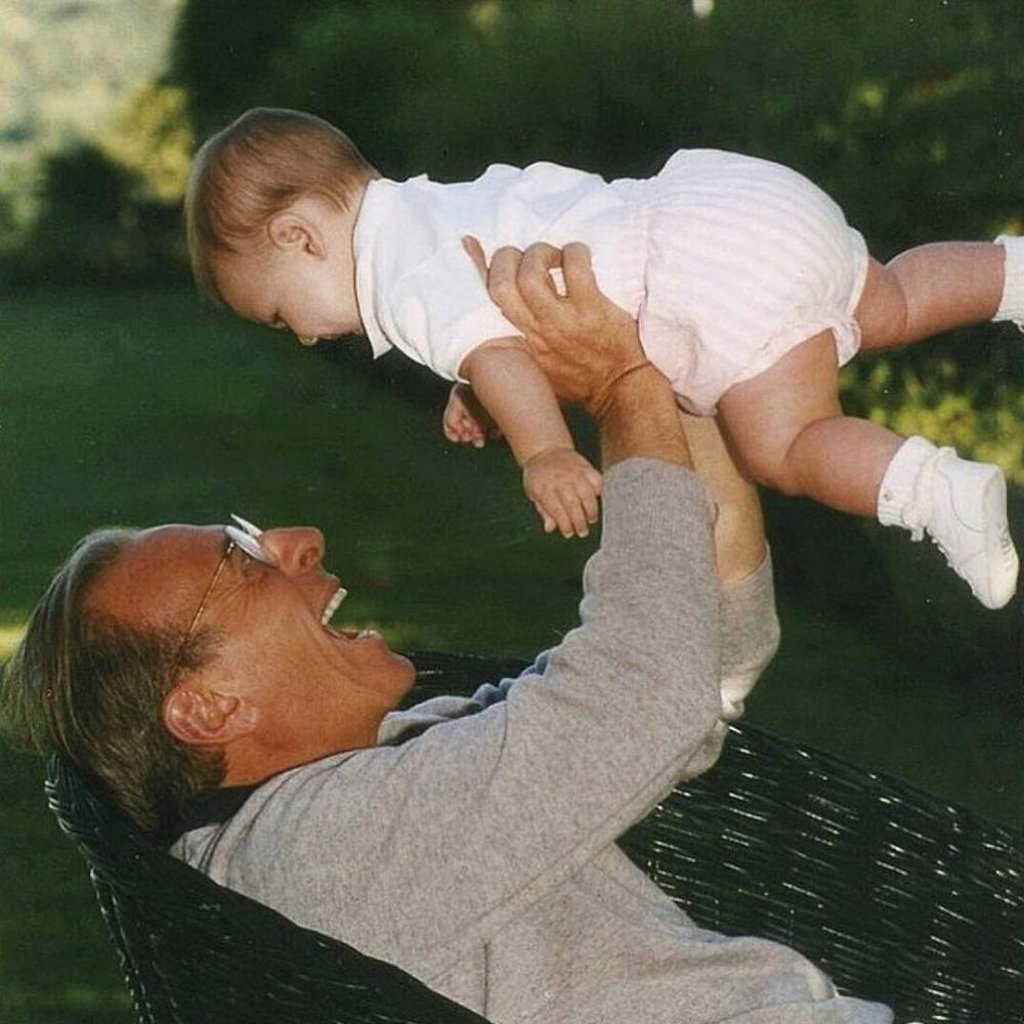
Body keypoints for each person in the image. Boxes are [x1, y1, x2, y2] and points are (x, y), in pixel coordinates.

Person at [0, 244, 896, 1022]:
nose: (298, 539)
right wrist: (621, 386)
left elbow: (695, 669)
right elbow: (646, 694)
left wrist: (677, 391)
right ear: (207, 708)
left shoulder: (377, 776)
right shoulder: (320, 850)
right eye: (241, 559)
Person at [185, 106, 1019, 609]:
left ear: (298, 237)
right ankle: (1009, 275)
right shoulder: (426, 207)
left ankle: (938, 490)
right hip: (732, 201)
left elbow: (499, 354)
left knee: (787, 445)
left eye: (280, 314)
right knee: (891, 302)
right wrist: (474, 385)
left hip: (702, 274)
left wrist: (545, 453)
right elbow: (496, 330)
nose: (301, 335)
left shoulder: (398, 282)